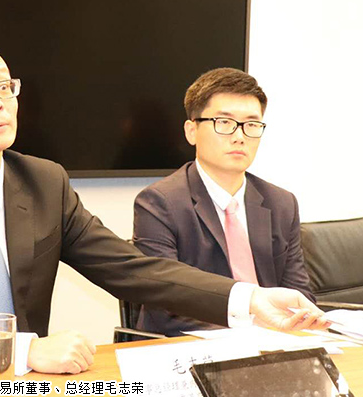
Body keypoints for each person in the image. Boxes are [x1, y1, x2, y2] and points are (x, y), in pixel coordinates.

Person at [0, 41, 326, 376]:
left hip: (27, 387)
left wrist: (250, 300)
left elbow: (134, 269)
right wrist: (23, 352)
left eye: (4, 87)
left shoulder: (44, 182)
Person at [133, 67, 314, 337]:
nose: (239, 136)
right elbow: (166, 306)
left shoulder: (281, 203)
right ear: (191, 131)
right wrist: (252, 327)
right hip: (193, 347)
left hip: (275, 344)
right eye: (225, 122)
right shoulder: (159, 203)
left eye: (251, 125)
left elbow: (299, 295)